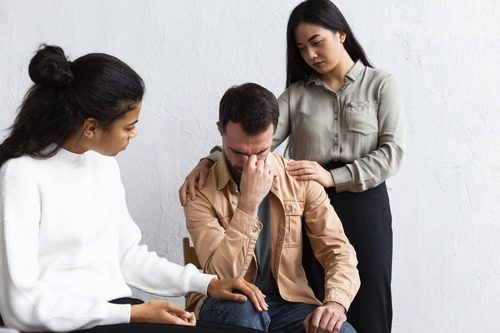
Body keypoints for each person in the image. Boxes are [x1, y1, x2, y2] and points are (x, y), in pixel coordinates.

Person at [0, 45, 267, 333]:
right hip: (63, 324)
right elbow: (22, 304)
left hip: (117, 312)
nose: (134, 134)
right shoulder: (21, 174)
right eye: (128, 127)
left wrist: (207, 282)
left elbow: (128, 256)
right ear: (91, 128)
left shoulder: (103, 165)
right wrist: (134, 313)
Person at [179, 1, 405, 332]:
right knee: (248, 310)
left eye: (317, 41)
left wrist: (334, 303)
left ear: (341, 34)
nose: (310, 54)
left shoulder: (380, 83)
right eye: (302, 48)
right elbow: (255, 140)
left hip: (360, 195)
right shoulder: (295, 96)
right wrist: (213, 163)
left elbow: (393, 151)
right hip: (301, 193)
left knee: (367, 298)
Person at [183, 83, 360, 333]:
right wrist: (248, 204)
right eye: (238, 152)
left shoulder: (299, 180)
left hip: (288, 305)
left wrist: (336, 303)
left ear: (275, 133)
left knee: (342, 331)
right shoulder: (198, 189)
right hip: (226, 302)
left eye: (261, 151)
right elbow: (220, 276)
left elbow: (338, 251)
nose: (250, 163)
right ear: (220, 131)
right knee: (244, 312)